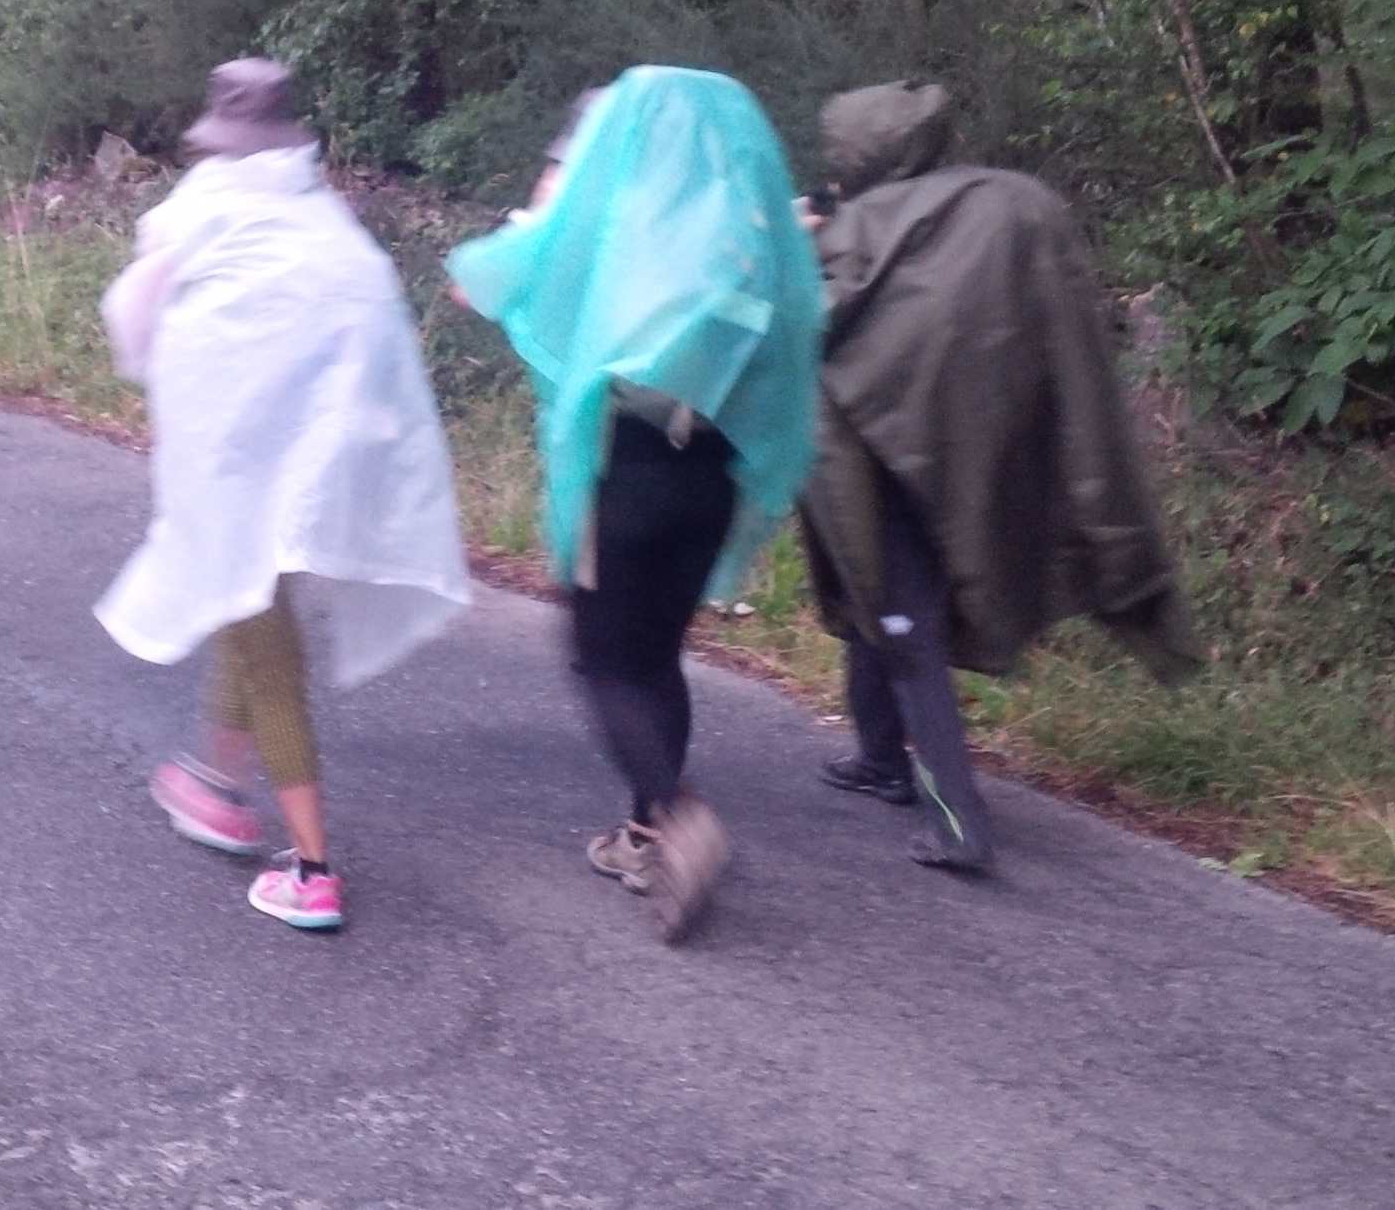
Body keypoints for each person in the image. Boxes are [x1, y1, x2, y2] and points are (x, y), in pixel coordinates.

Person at [97, 58, 474, 933]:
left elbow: (132, 320)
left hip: (237, 466)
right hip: (322, 465)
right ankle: (216, 785)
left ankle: (313, 869)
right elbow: (368, 327)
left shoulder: (202, 208)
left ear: (218, 135)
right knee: (247, 605)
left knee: (266, 649)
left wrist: (174, 362)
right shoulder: (324, 219)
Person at [447, 68, 821, 940]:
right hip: (714, 479)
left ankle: (680, 816)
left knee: (602, 658)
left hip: (630, 471)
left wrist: (497, 258)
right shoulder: (751, 236)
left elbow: (491, 281)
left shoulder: (621, 227)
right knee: (658, 655)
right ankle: (644, 836)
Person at [794, 81, 1194, 873]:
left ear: (863, 154)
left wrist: (800, 242)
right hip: (986, 449)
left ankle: (960, 821)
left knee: (901, 615)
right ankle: (880, 756)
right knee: (880, 598)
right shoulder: (1006, 200)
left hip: (890, 454)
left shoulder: (864, 227)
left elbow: (811, 318)